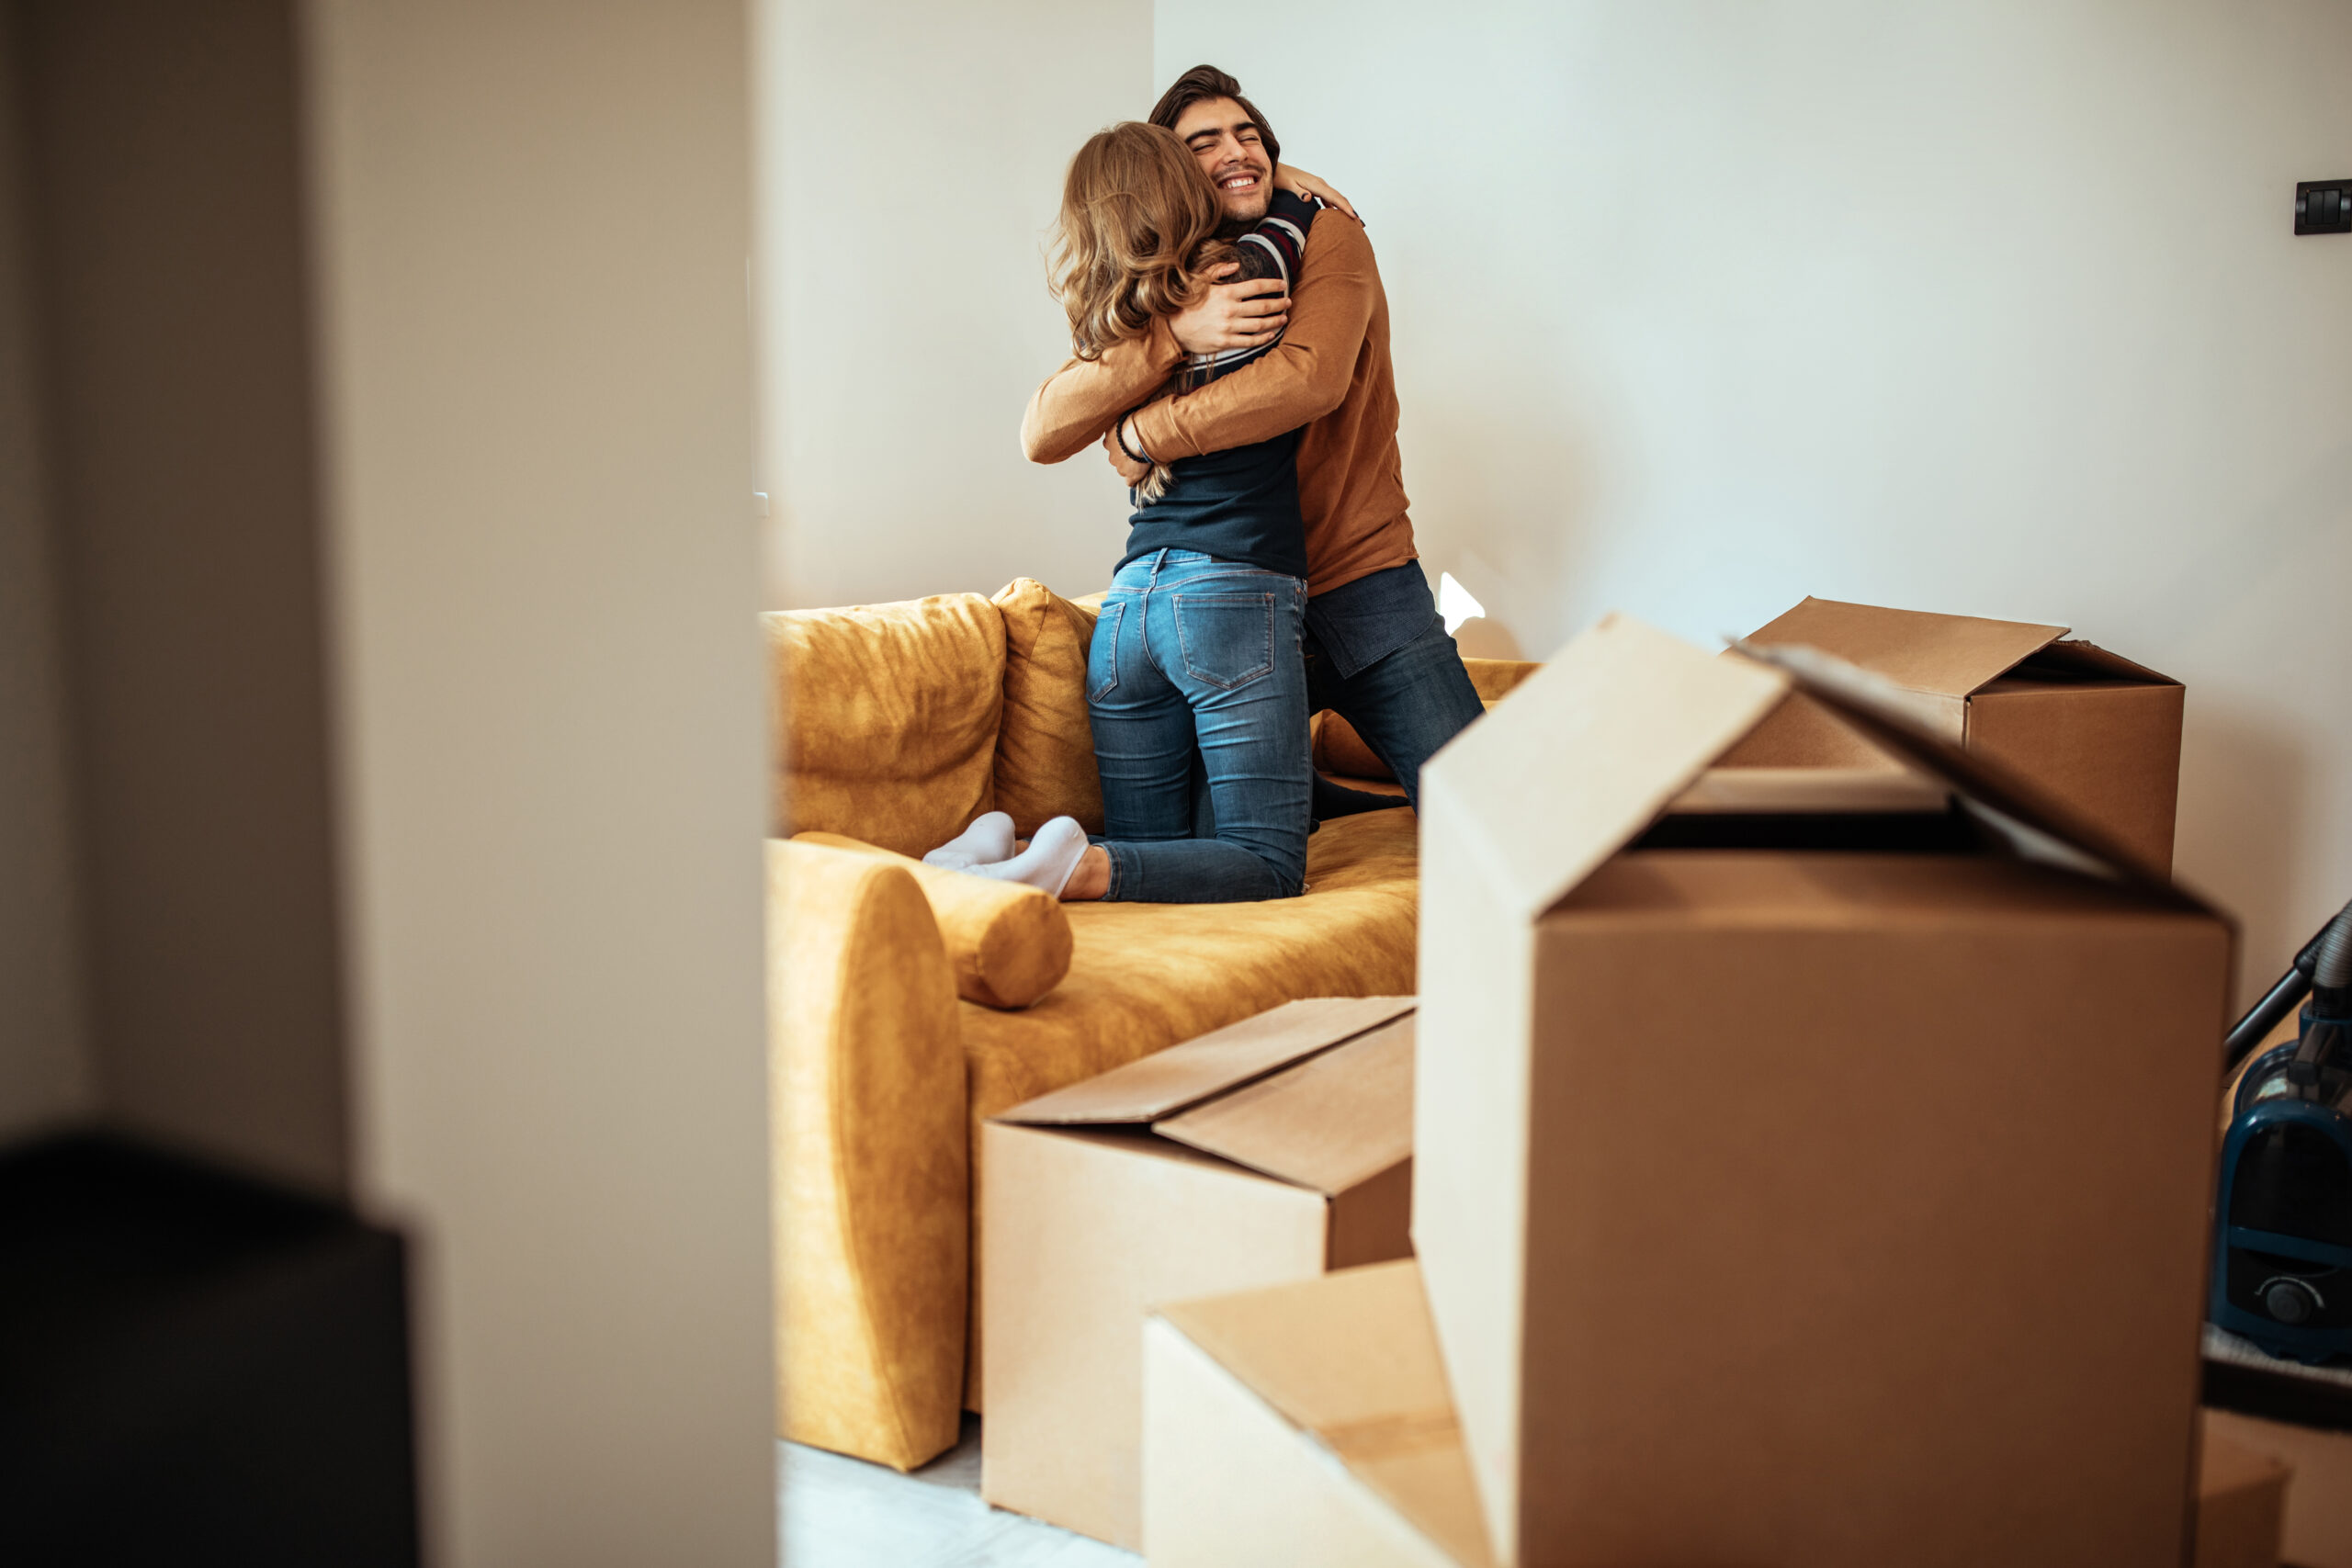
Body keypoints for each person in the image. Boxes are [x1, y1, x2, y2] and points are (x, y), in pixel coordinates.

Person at [1030, 65, 1487, 822]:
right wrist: (1172, 334)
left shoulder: (1327, 233)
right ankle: (1327, 800)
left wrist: (1146, 431)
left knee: (1491, 810)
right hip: (1234, 587)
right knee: (1221, 828)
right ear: (1172, 174)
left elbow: (1308, 379)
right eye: (1204, 143)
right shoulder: (1173, 282)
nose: (1236, 150)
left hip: (1359, 577)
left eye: (1249, 136)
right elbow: (1044, 426)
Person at [927, 121, 1336, 903]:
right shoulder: (1243, 271)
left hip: (1126, 616)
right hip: (1228, 594)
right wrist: (1294, 177)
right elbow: (1298, 217)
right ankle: (1068, 863)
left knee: (1152, 862)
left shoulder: (1118, 321)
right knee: (1268, 860)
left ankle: (1000, 844)